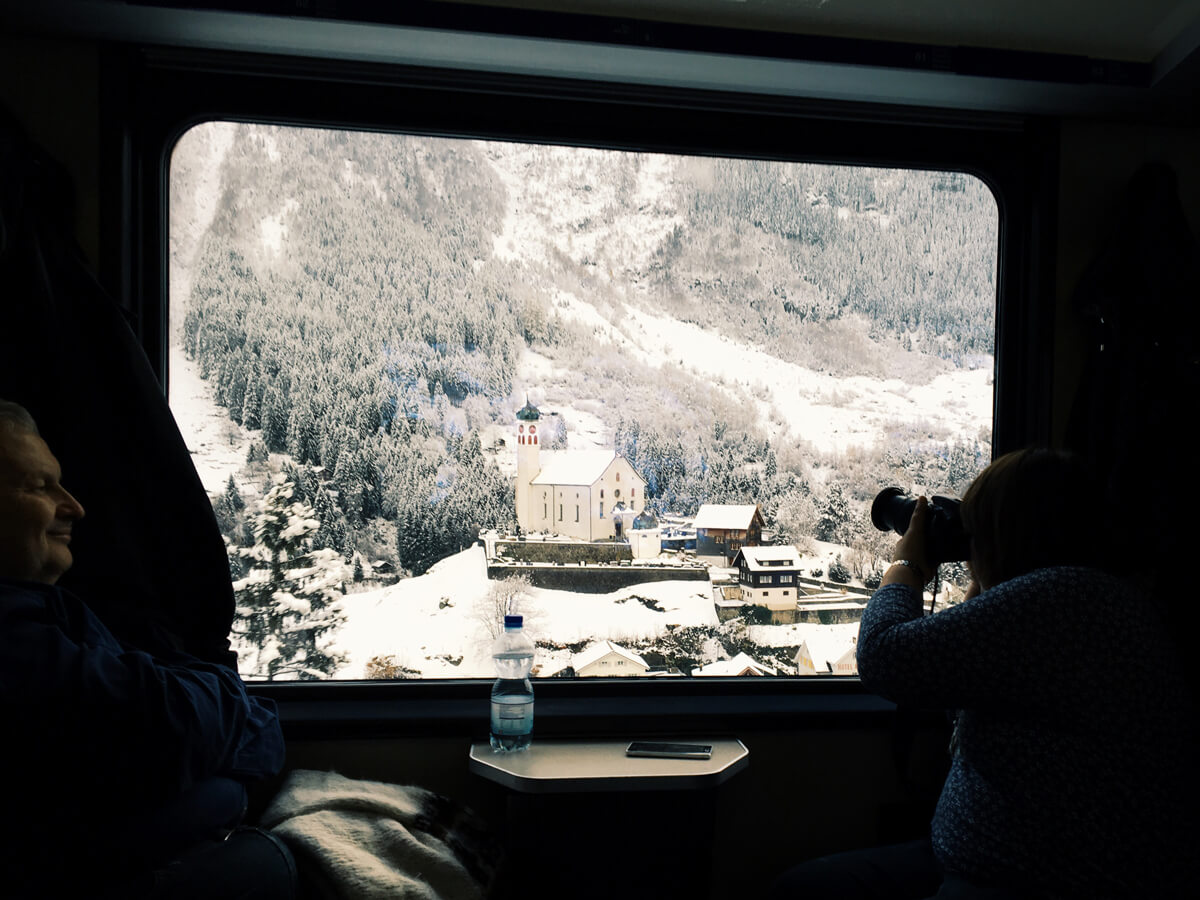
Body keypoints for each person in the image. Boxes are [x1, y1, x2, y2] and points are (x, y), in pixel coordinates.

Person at [770, 448, 1197, 900]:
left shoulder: (1066, 598)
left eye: (979, 530)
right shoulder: (1069, 599)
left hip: (1034, 878)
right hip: (981, 857)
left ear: (1011, 530)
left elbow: (884, 657)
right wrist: (984, 573)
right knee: (801, 888)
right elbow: (972, 655)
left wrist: (909, 563)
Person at [0, 399, 296, 898]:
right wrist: (221, 707)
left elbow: (252, 732)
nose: (74, 506)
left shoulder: (59, 612)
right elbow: (173, 720)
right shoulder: (17, 642)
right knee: (273, 860)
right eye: (38, 486)